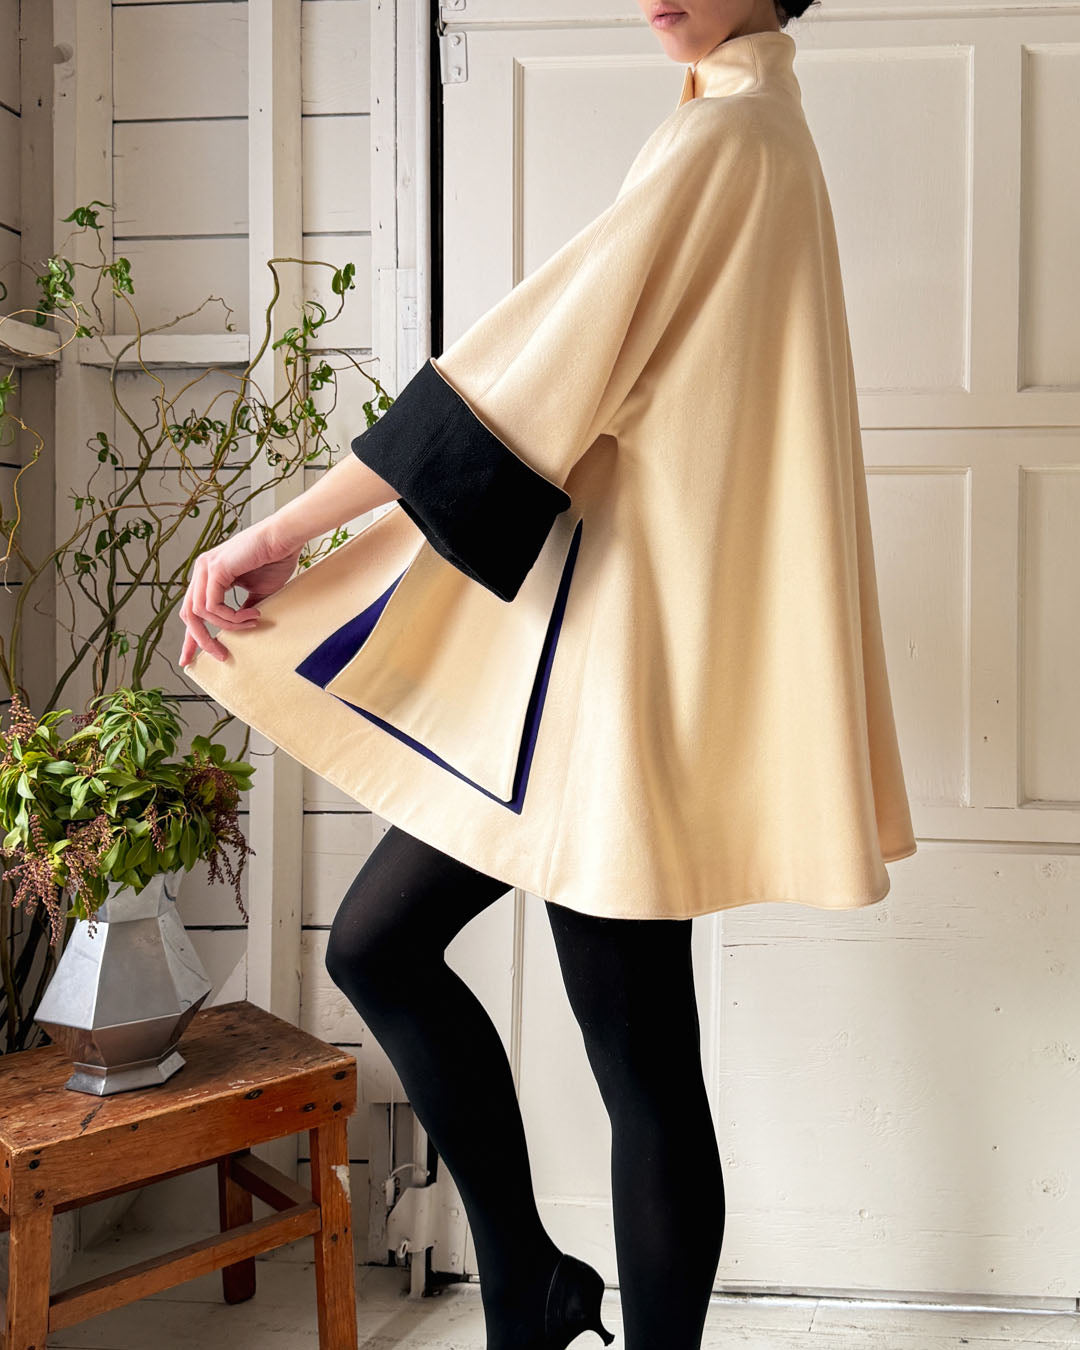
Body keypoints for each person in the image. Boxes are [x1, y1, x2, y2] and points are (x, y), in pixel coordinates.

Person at [179, 1, 916, 1347]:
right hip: (593, 674)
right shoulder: (749, 125)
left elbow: (526, 383)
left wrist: (283, 531)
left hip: (622, 686)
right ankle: (528, 1277)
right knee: (396, 951)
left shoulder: (729, 141)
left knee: (638, 1059)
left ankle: (538, 1292)